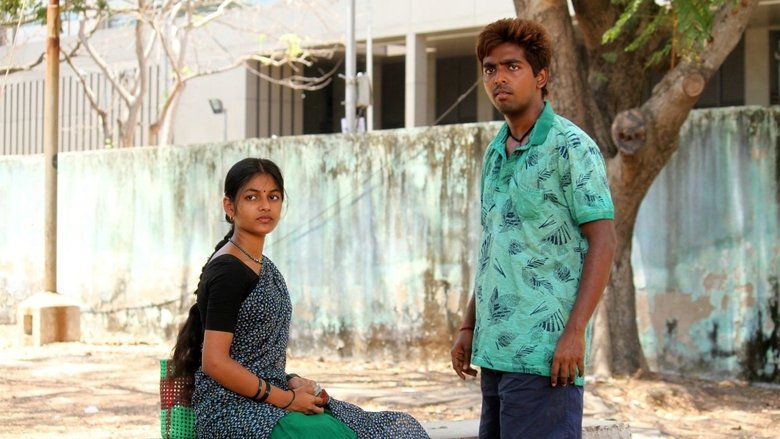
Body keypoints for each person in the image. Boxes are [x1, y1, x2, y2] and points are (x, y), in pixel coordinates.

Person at [172, 158, 429, 439]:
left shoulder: (260, 264)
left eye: (273, 197)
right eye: (252, 197)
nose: (265, 206)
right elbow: (215, 362)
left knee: (398, 427)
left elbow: (251, 357)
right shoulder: (228, 270)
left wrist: (291, 381)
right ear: (229, 206)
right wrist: (287, 399)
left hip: (269, 399)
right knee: (334, 434)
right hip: (231, 411)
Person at [450, 18, 617, 439]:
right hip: (495, 353)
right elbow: (496, 247)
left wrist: (574, 333)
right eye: (490, 69)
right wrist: (469, 326)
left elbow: (603, 240)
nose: (499, 78)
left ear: (541, 76)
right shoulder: (495, 152)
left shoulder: (570, 146)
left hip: (548, 357)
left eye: (512, 66)